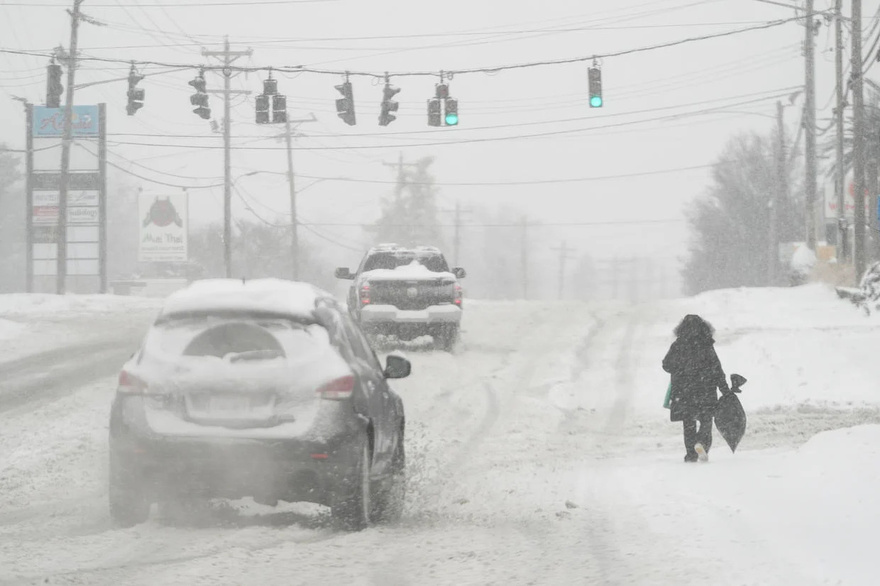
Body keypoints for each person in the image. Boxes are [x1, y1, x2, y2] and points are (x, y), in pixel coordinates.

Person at [662, 314, 729, 463]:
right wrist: (725, 389)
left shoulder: (678, 345)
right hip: (706, 390)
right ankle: (702, 443)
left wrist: (680, 369)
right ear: (703, 327)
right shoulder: (706, 344)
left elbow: (666, 364)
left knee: (688, 423)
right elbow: (716, 369)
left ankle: (691, 454)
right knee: (706, 420)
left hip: (684, 391)